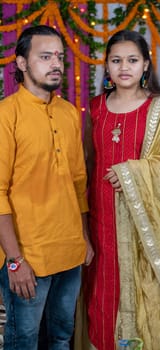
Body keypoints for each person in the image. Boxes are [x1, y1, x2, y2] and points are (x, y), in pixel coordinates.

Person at [75, 30, 160, 350]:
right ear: (107, 67)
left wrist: (130, 173)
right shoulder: (95, 108)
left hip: (145, 228)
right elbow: (85, 164)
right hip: (100, 222)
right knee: (101, 291)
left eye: (132, 60)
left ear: (145, 66)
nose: (124, 67)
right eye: (116, 60)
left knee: (146, 294)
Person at [0, 25, 94, 350]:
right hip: (28, 256)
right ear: (22, 63)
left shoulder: (69, 114)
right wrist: (14, 260)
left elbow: (78, 183)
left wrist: (83, 238)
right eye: (44, 56)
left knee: (61, 338)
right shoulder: (6, 115)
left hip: (69, 253)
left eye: (59, 57)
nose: (56, 64)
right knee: (23, 340)